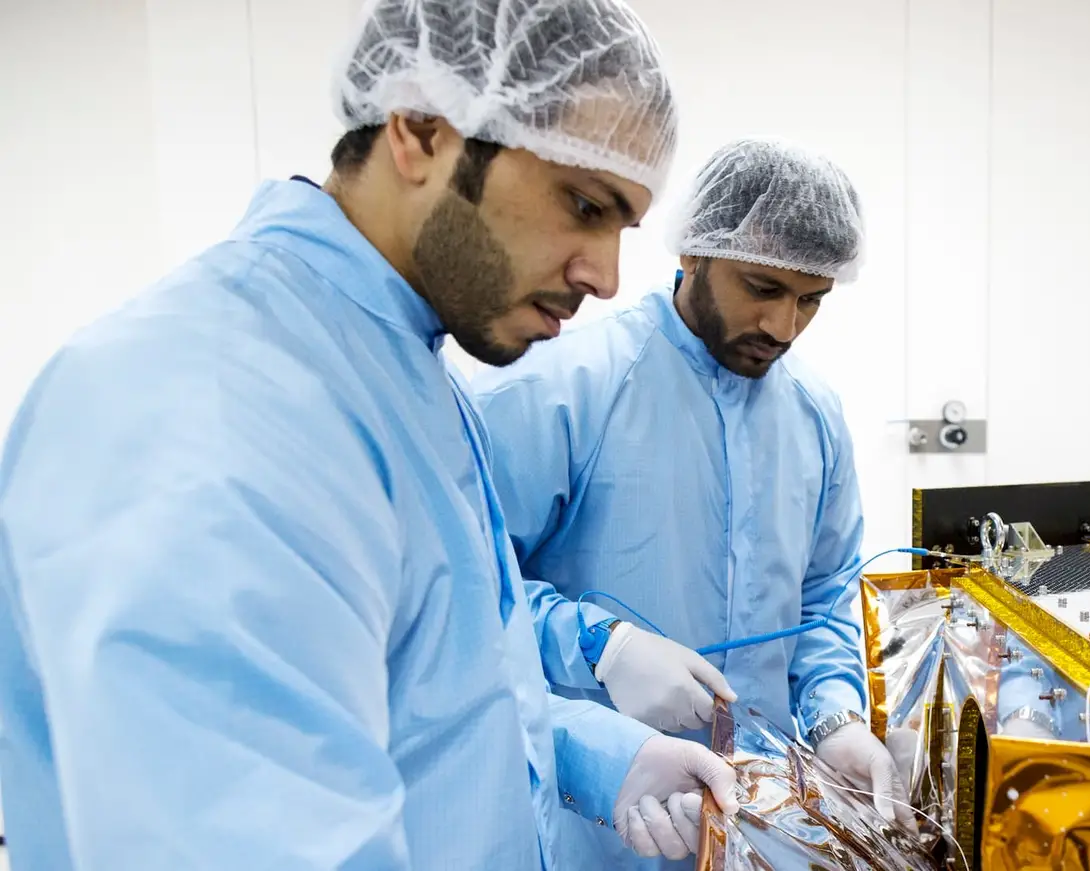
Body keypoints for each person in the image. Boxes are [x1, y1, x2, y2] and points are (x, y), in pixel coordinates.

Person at [0, 2, 736, 868]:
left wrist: (600, 756)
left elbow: (429, 692)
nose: (606, 276)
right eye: (583, 204)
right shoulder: (216, 400)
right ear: (421, 132)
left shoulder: (405, 368)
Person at [473, 137, 913, 869]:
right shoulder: (561, 391)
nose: (784, 326)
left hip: (767, 827)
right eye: (762, 288)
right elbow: (469, 595)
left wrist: (835, 716)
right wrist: (597, 643)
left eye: (812, 300)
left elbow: (824, 595)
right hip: (603, 826)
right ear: (694, 253)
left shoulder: (814, 416)